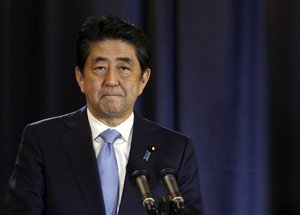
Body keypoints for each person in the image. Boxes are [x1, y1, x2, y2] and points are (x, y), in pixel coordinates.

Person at [3, 16, 204, 215]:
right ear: (80, 77)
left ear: (143, 80)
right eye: (100, 68)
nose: (111, 80)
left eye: (124, 68)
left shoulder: (176, 150)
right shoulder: (42, 140)